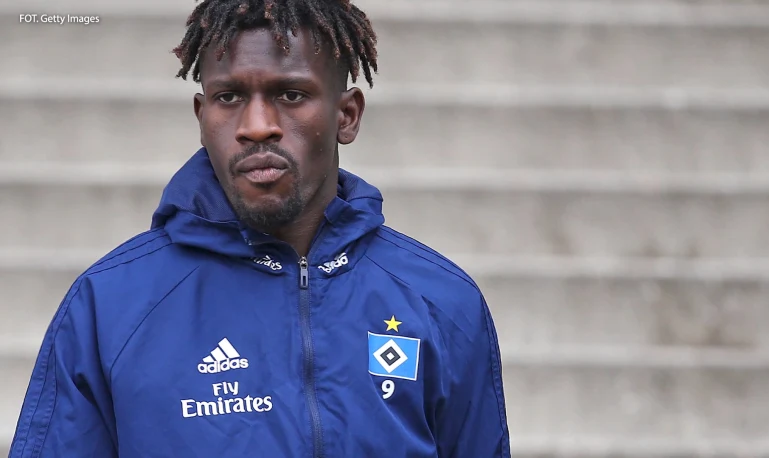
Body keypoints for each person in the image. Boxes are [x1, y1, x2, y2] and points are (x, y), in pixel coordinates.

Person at [9, 0, 510, 456]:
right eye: (228, 97)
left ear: (347, 115)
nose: (256, 125)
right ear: (202, 117)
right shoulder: (110, 303)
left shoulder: (442, 300)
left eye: (290, 94)